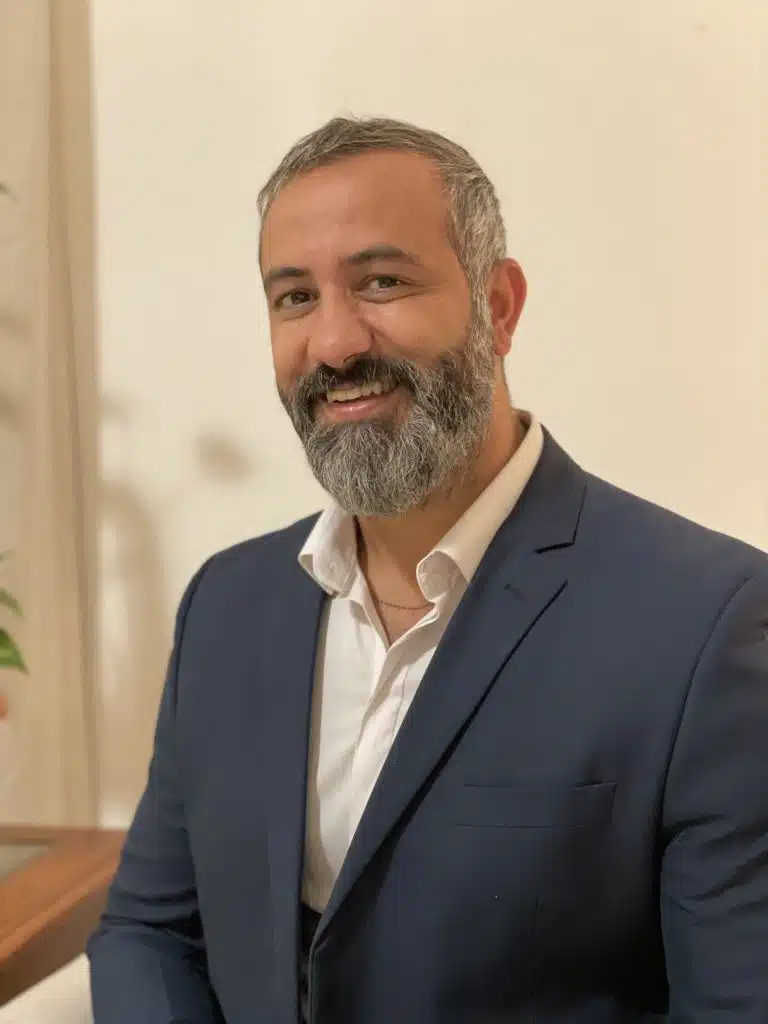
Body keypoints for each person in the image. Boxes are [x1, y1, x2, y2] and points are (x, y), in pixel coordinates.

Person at [88, 116, 768, 1023]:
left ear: (499, 307)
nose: (334, 343)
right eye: (294, 297)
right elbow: (151, 932)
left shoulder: (707, 623)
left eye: (382, 282)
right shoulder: (229, 603)